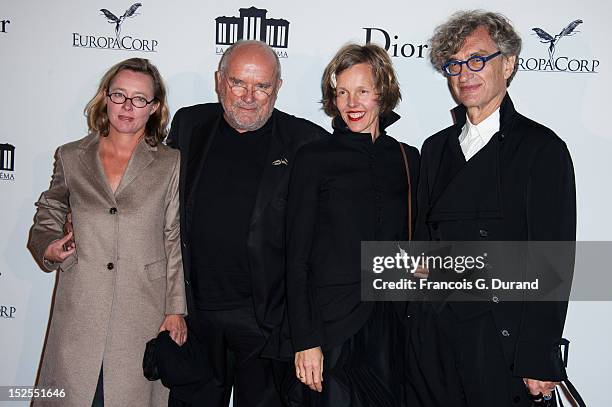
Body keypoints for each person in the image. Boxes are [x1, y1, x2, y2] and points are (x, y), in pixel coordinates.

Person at [408, 10, 576, 407]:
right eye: (454, 64)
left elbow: (552, 260)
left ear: (510, 63)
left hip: (502, 341)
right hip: (434, 340)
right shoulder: (435, 149)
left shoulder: (542, 149)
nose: (465, 73)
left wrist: (538, 357)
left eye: (478, 60)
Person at [163, 40, 328, 407]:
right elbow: (159, 205)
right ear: (219, 81)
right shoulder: (190, 125)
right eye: (239, 83)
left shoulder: (307, 142)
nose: (249, 97)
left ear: (278, 87)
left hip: (266, 324)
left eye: (263, 86)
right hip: (196, 319)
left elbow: (326, 239)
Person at [27, 58, 187, 407]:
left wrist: (175, 309)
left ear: (154, 107)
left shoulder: (169, 163)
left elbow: (173, 235)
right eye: (119, 95)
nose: (128, 106)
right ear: (105, 98)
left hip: (142, 307)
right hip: (81, 303)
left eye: (140, 99)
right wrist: (49, 247)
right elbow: (50, 209)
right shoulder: (71, 156)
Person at [285, 43, 419, 406]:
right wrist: (306, 341)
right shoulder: (314, 157)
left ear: (382, 92)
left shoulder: (407, 158)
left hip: (389, 326)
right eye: (341, 92)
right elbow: (296, 257)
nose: (351, 102)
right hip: (330, 326)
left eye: (362, 90)